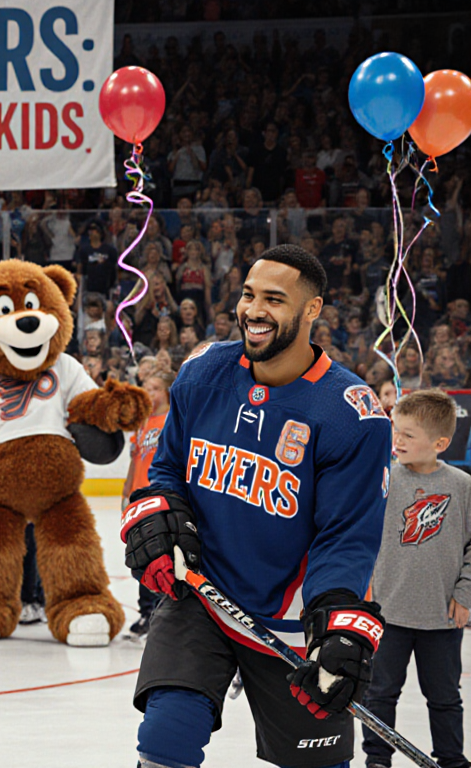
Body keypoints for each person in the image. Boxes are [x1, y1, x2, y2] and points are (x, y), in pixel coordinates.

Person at [123, 244, 392, 768]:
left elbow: (346, 535)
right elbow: (167, 468)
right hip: (201, 591)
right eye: (248, 295)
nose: (253, 310)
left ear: (312, 310)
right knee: (165, 736)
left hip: (288, 623)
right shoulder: (204, 371)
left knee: (316, 760)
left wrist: (336, 621)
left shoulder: (350, 415)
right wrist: (159, 511)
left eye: (274, 298)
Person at [363, 390, 470, 768]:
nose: (398, 441)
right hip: (386, 614)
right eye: (396, 431)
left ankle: (452, 759)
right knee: (379, 694)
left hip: (440, 617)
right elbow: (360, 536)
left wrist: (465, 593)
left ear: (440, 443)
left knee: (444, 697)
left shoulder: (461, 486)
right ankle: (377, 759)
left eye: (408, 434)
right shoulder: (383, 480)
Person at [120, 369, 174, 638]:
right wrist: (126, 490)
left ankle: (158, 613)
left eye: (154, 388)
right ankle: (145, 612)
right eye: (145, 388)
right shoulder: (143, 422)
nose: (148, 393)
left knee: (159, 555)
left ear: (166, 391)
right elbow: (135, 458)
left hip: (159, 498)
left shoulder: (171, 420)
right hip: (139, 498)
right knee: (140, 556)